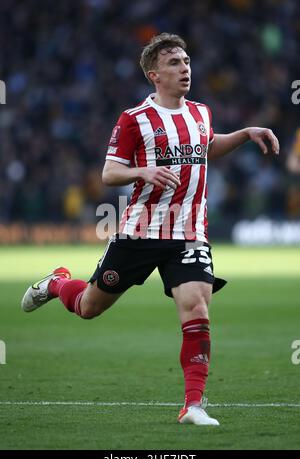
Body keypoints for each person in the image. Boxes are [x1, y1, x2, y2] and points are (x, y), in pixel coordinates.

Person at [21, 33, 279, 426]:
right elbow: (109, 172)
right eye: (175, 62)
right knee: (89, 308)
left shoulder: (201, 112)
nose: (185, 68)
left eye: (187, 60)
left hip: (190, 232)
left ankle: (193, 405)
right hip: (141, 232)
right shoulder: (134, 119)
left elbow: (206, 146)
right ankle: (56, 283)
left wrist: (244, 135)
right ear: (154, 74)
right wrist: (142, 170)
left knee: (197, 308)